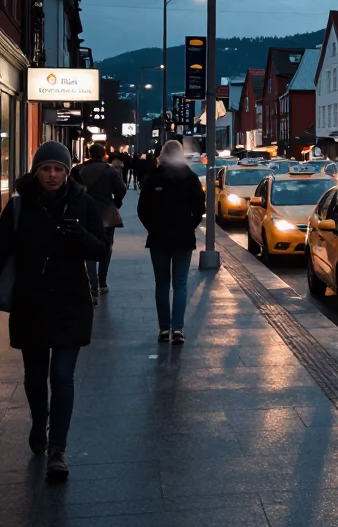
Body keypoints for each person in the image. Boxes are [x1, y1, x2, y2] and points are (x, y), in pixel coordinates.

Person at [0, 141, 105, 480]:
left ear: (67, 171)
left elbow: (101, 251)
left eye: (59, 169)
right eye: (46, 168)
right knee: (34, 376)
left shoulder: (82, 203)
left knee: (62, 376)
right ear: (36, 170)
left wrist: (80, 236)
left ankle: (58, 448)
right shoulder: (18, 207)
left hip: (70, 303)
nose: (53, 175)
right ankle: (39, 424)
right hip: (30, 303)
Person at [137, 139, 205, 344]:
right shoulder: (191, 178)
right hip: (183, 238)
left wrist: (153, 227)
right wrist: (188, 226)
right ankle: (178, 328)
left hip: (158, 238)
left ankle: (163, 329)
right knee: (181, 284)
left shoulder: (153, 178)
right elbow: (199, 209)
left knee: (162, 284)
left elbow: (142, 210)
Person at [72, 144, 126, 299]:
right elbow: (121, 190)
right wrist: (115, 202)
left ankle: (92, 284)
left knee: (88, 246)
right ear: (103, 154)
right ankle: (102, 282)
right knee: (106, 248)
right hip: (107, 214)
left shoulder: (78, 170)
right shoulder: (110, 171)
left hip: (85, 214)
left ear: (89, 153)